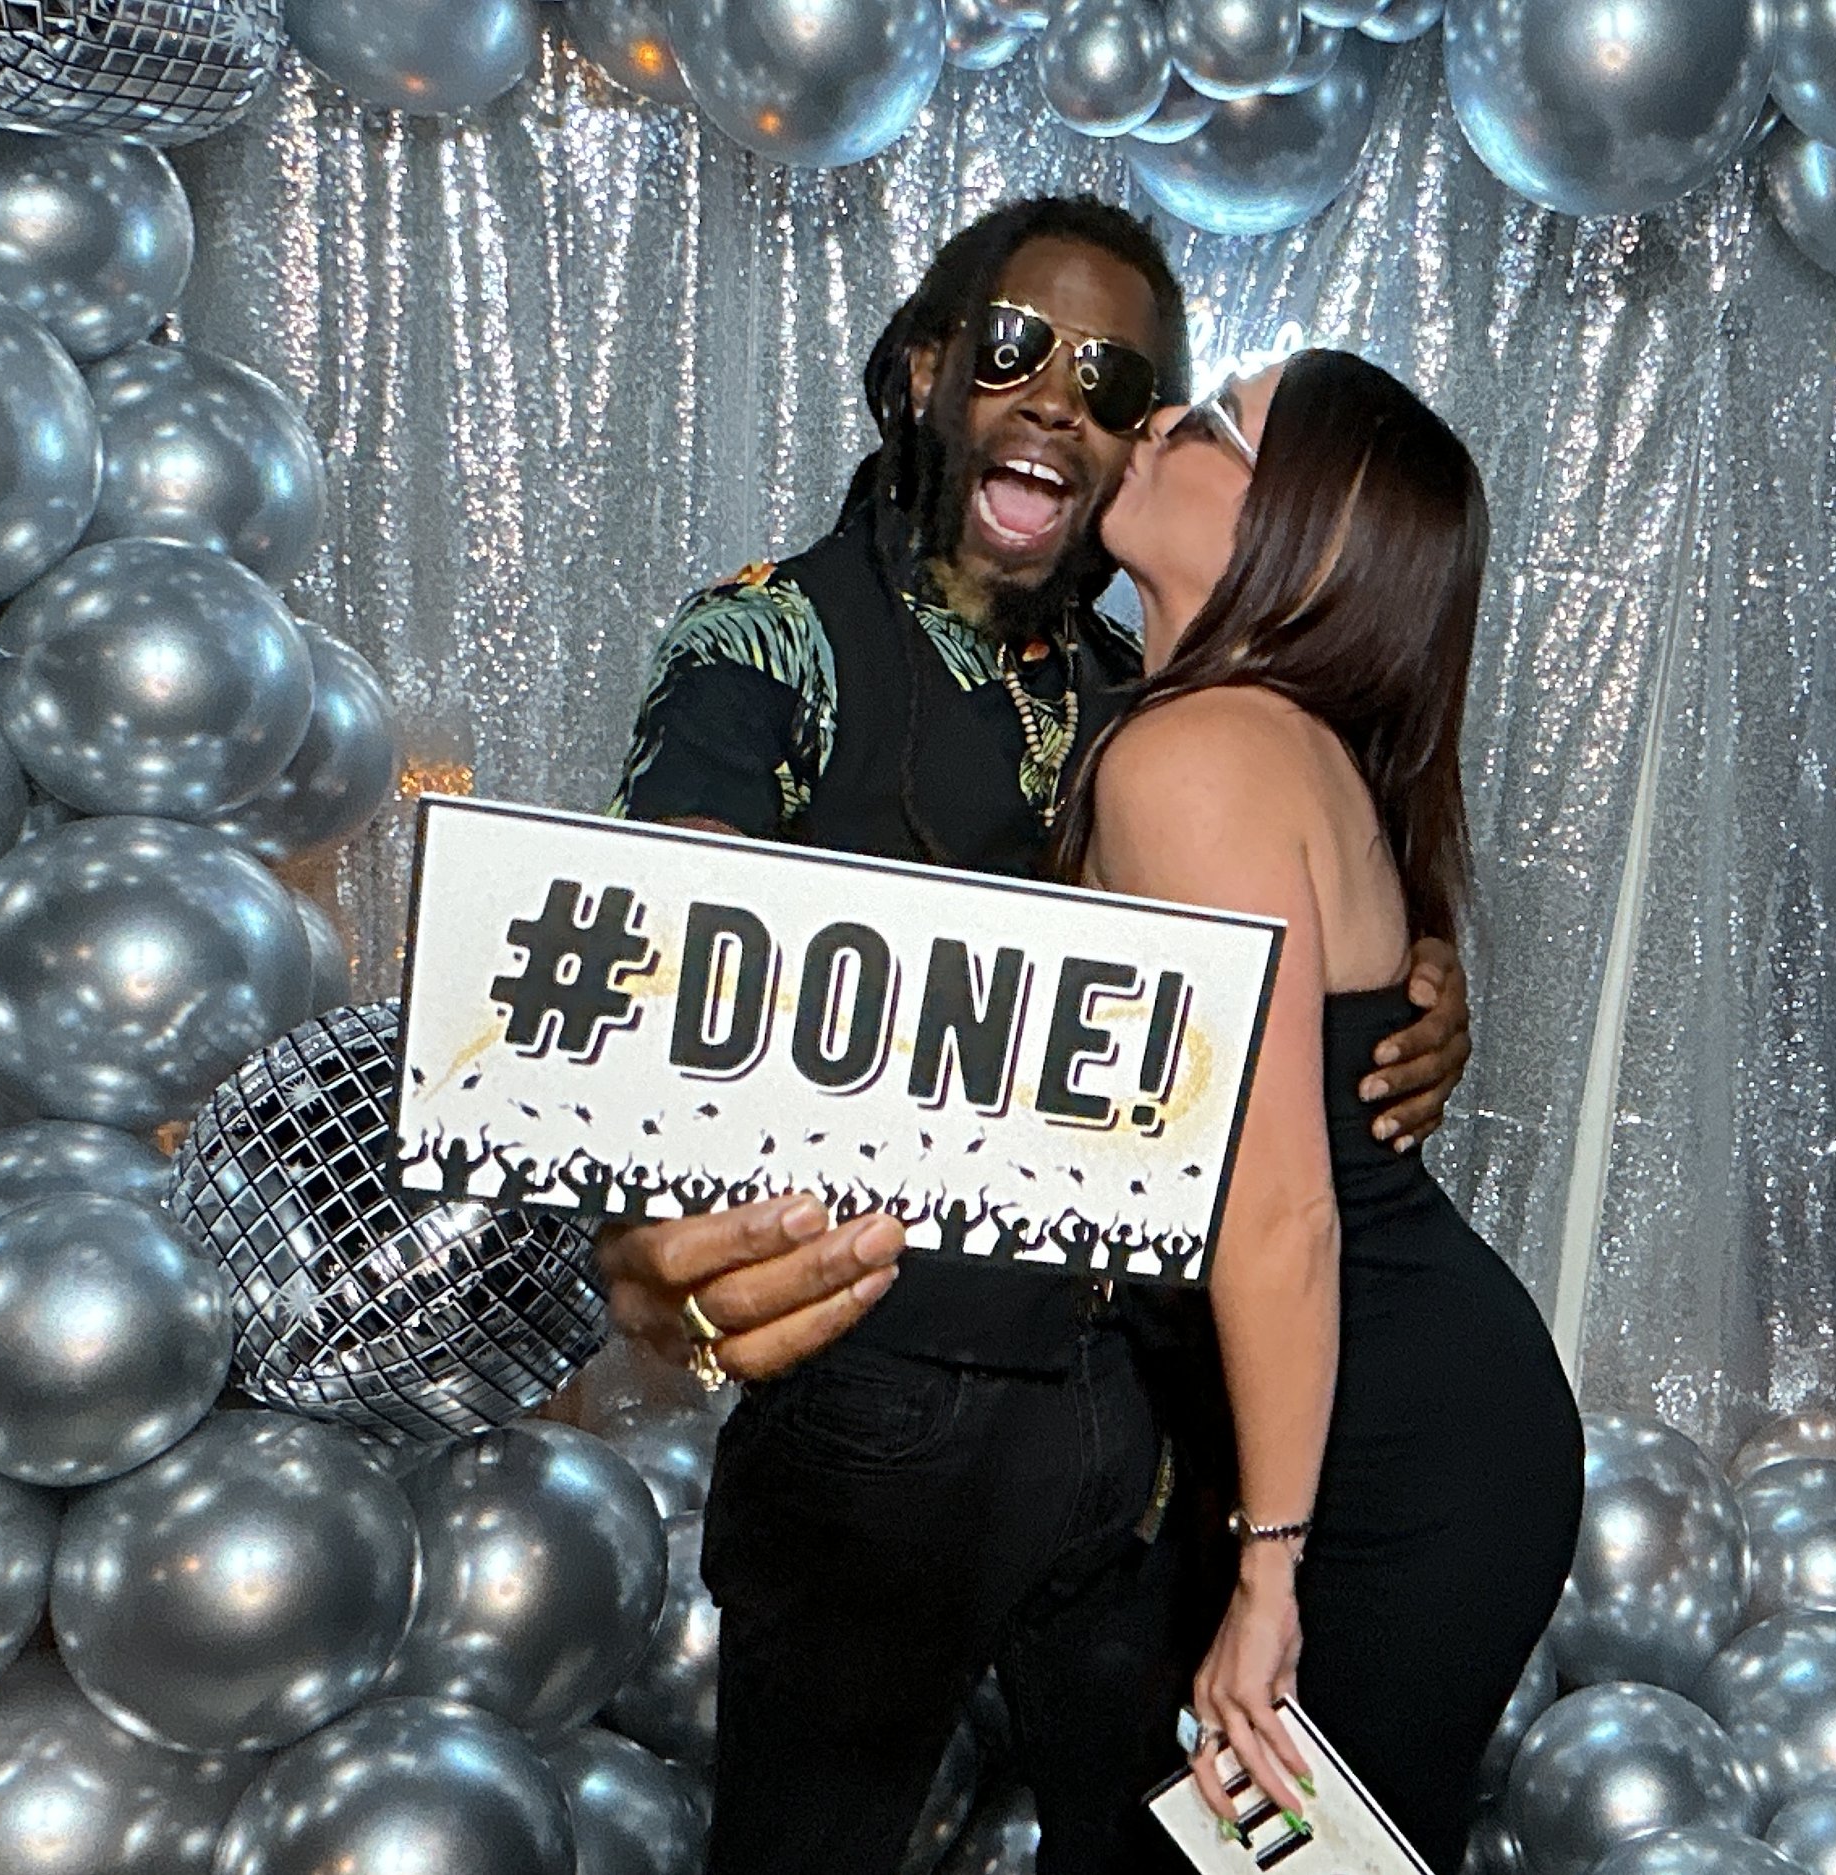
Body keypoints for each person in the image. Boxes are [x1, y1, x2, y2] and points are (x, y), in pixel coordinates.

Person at [592, 198, 1475, 1874]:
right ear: (925, 374)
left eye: (1116, 379)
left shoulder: (1138, 687)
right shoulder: (765, 647)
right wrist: (648, 1257)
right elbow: (644, 1010)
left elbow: (1278, 929)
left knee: (1160, 1845)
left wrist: (1415, 985)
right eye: (1012, 350)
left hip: (1138, 1429)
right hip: (883, 1417)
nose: (1058, 396)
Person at [1057, 351, 1586, 1870]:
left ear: (1312, 541)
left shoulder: (1199, 755)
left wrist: (1268, 1575)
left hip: (1388, 1473)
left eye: (1214, 424)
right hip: (1378, 1433)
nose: (1156, 419)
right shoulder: (1247, 736)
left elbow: (1275, 1212)